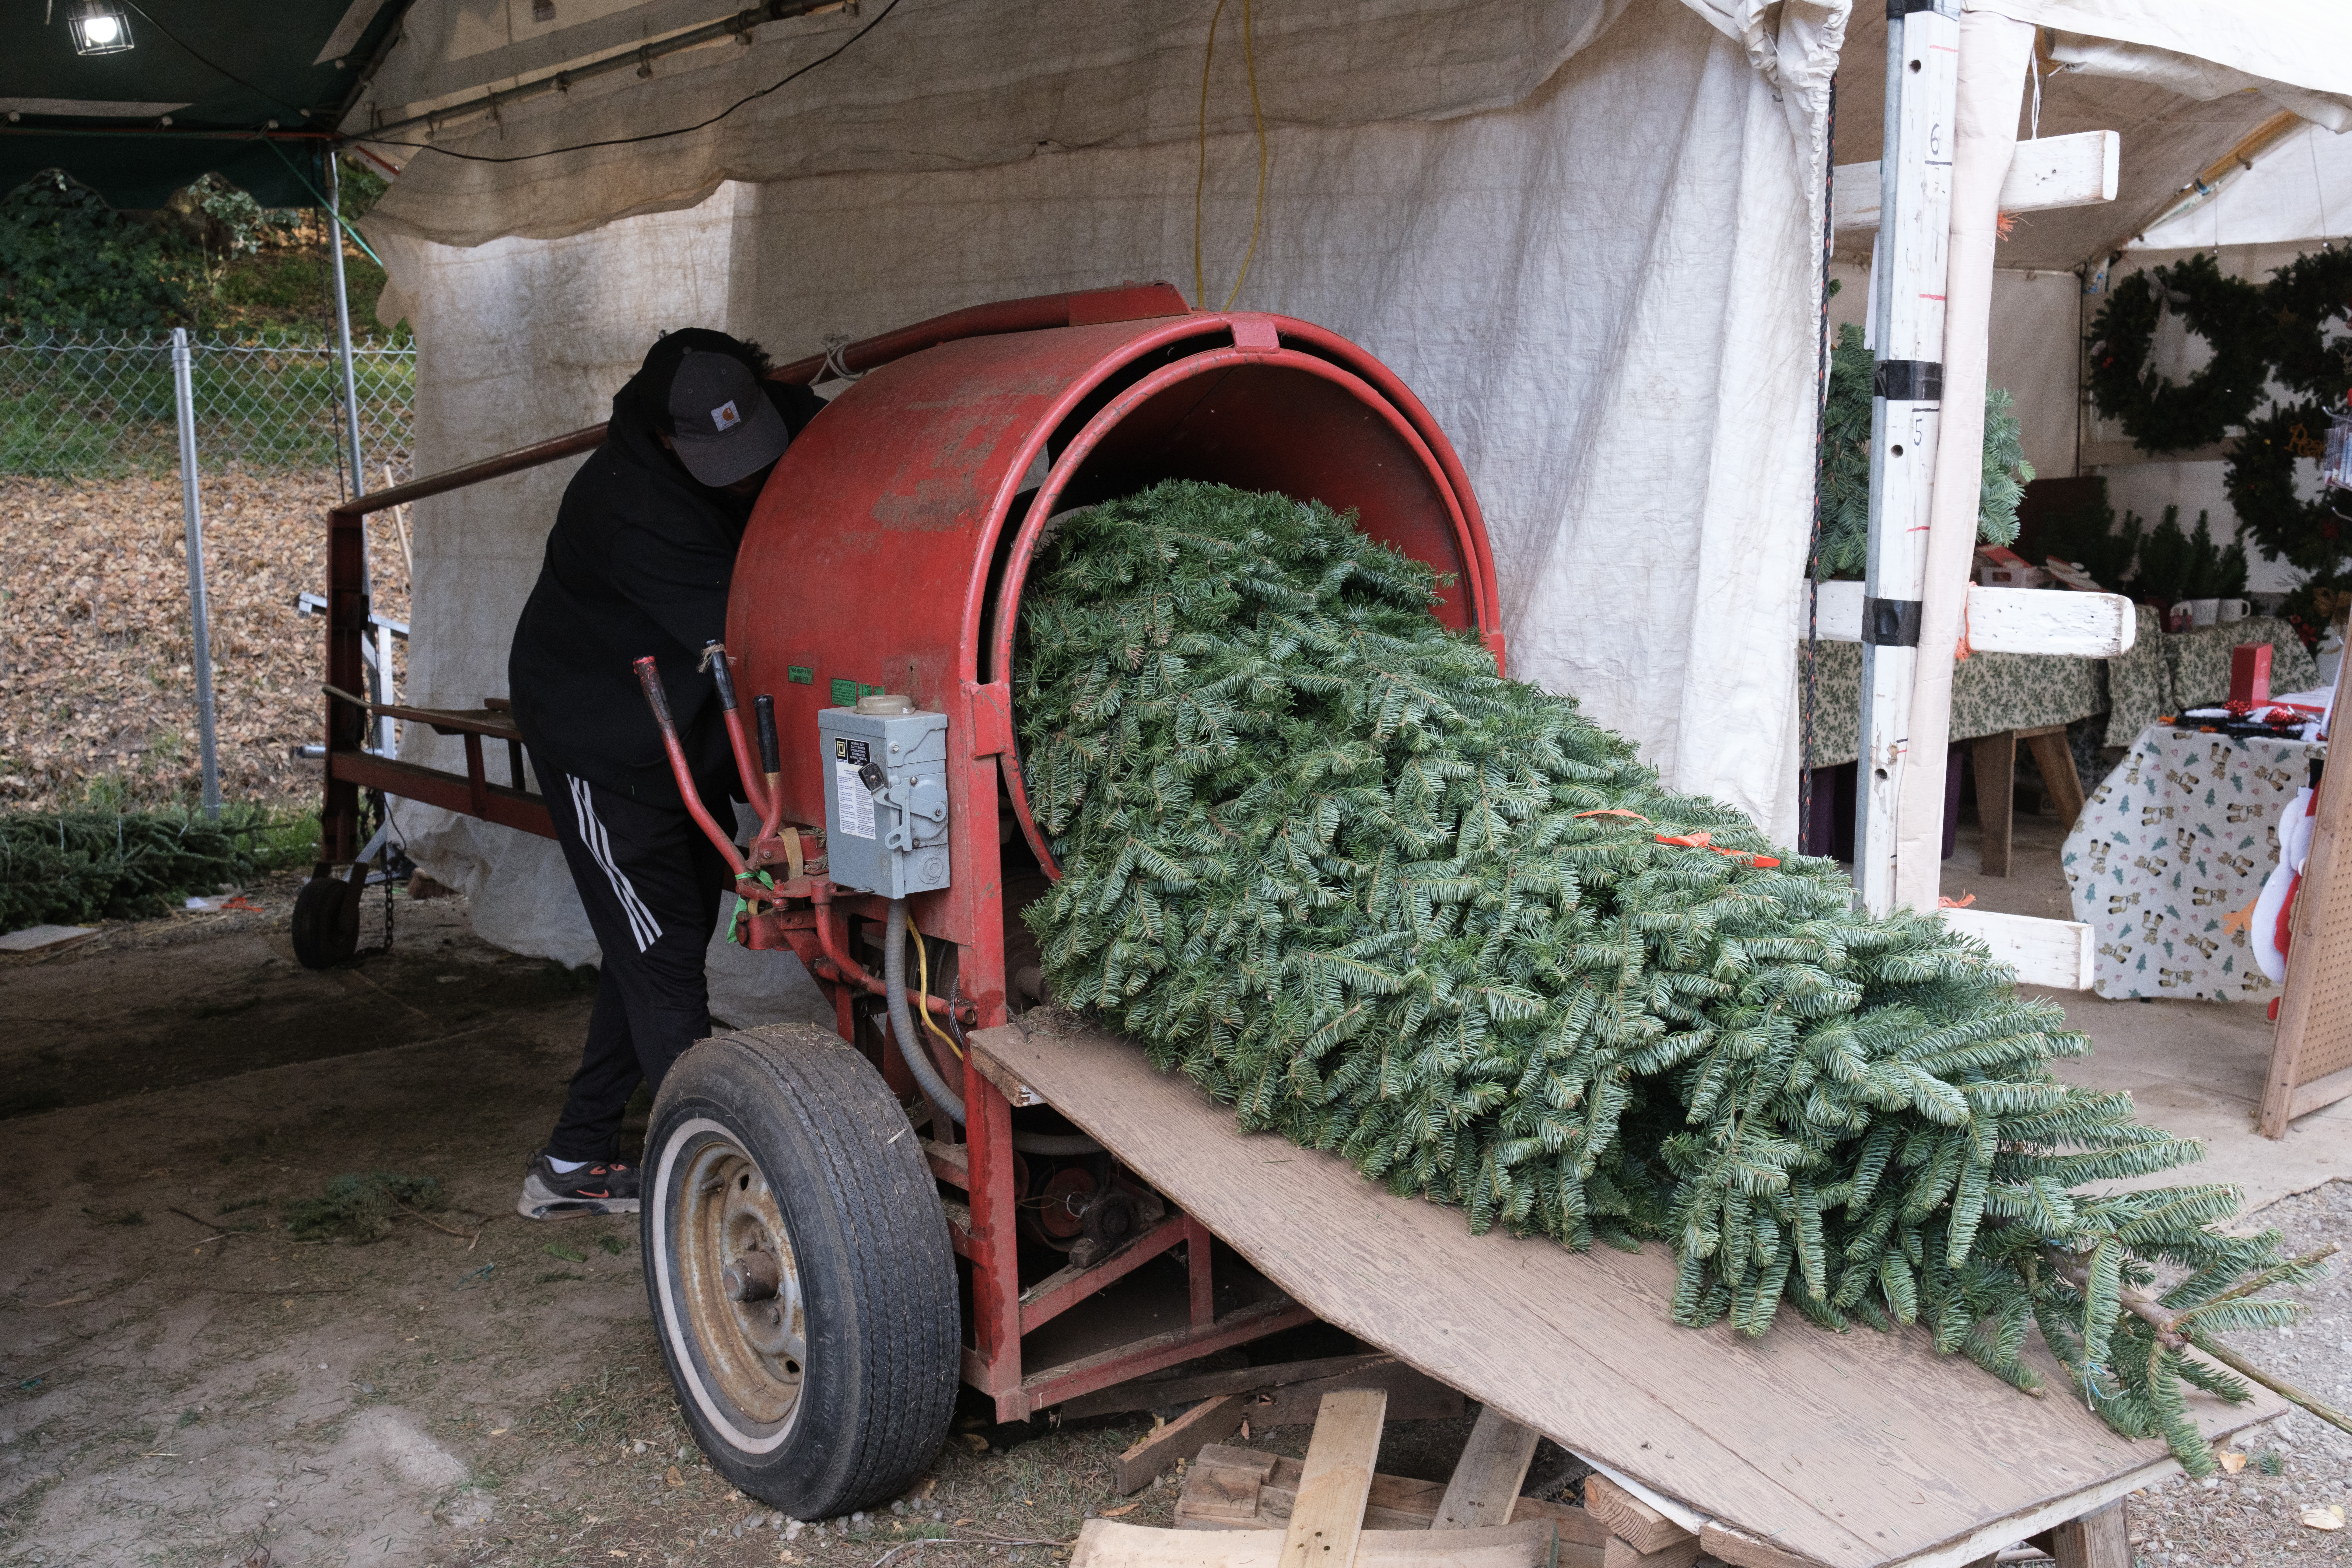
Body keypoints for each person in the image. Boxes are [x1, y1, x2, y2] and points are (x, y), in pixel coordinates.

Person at [506, 329, 821, 1220]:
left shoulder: (782, 413)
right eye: (725, 466)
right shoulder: (630, 508)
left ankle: (575, 1156)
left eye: (755, 450)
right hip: (600, 733)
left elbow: (840, 451)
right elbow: (762, 626)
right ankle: (718, 1193)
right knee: (660, 952)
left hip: (675, 717)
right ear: (663, 440)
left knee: (658, 939)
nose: (752, 476)